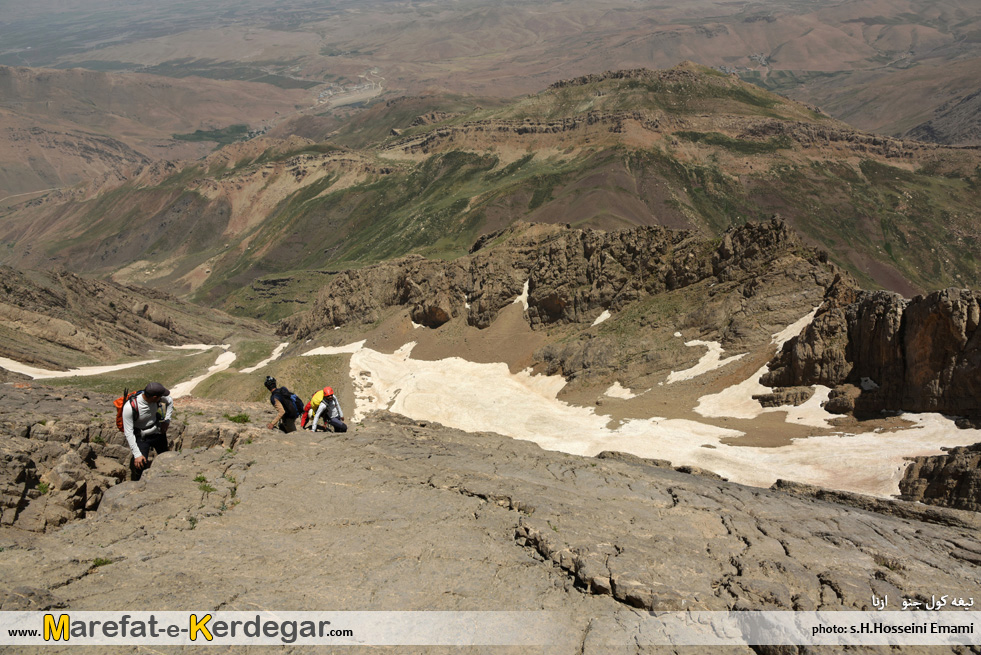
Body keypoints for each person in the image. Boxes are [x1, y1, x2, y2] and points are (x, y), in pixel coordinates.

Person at [122, 381, 173, 480]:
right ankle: (138, 484)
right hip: (141, 437)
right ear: (154, 397)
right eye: (160, 396)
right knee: (140, 465)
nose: (161, 398)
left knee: (166, 457)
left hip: (157, 432)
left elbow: (170, 401)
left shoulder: (157, 399)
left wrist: (166, 421)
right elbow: (128, 432)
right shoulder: (130, 407)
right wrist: (137, 455)